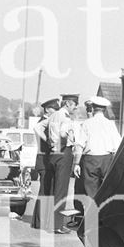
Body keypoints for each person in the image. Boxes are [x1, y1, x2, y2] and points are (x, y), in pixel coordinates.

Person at [73, 96, 122, 199]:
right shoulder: (110, 124)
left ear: (93, 108)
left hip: (91, 160)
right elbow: (118, 145)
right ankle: (105, 213)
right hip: (107, 159)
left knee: (91, 191)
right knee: (107, 190)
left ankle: (92, 213)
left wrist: (76, 163)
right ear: (104, 109)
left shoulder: (86, 124)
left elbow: (79, 145)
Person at [46, 94, 79, 234]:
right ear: (68, 104)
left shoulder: (53, 115)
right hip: (63, 152)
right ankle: (57, 225)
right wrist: (72, 137)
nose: (75, 108)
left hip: (53, 153)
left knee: (54, 189)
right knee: (61, 190)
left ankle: (51, 222)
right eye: (74, 105)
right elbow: (63, 134)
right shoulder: (64, 116)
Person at [31, 97, 60, 230]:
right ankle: (39, 221)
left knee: (47, 191)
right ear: (48, 109)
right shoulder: (44, 123)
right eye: (54, 109)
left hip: (45, 161)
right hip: (44, 160)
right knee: (44, 191)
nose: (56, 112)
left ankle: (42, 220)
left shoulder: (46, 122)